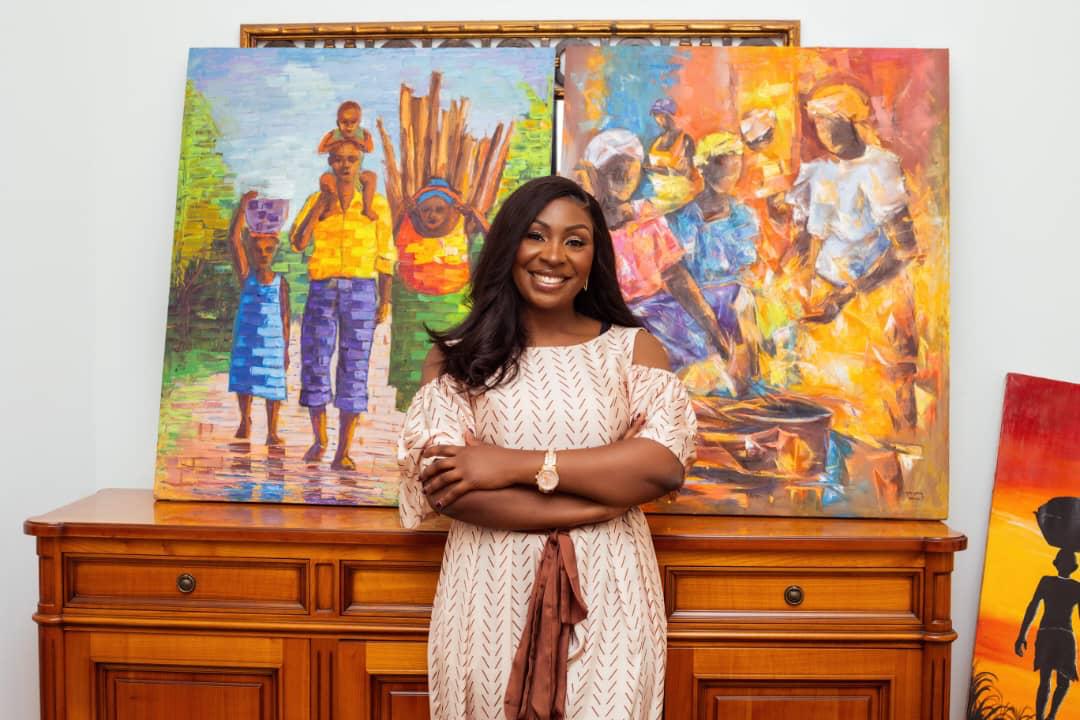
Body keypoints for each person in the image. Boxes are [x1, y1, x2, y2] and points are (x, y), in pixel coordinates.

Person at [397, 175, 696, 719]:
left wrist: (508, 465)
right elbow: (452, 491)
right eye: (536, 235)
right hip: (487, 595)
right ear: (507, 245)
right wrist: (606, 498)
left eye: (575, 241)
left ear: (593, 258)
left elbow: (661, 465)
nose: (553, 255)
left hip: (611, 593)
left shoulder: (633, 351)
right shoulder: (457, 359)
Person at [783, 82, 921, 450]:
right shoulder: (817, 171)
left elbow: (904, 249)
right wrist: (795, 280)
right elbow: (806, 239)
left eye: (831, 122)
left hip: (873, 299)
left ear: (853, 122)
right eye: (818, 123)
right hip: (827, 295)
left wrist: (846, 296)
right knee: (828, 400)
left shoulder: (880, 167)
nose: (823, 131)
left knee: (880, 403)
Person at [577, 128, 745, 394]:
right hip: (619, 320)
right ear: (596, 175)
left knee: (704, 362)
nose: (624, 180)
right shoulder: (585, 226)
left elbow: (676, 276)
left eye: (630, 173)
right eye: (614, 172)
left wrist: (711, 327)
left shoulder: (646, 217)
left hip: (662, 314)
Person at [290, 136, 395, 470]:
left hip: (361, 290)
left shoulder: (376, 204)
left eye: (351, 159)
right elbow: (297, 242)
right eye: (339, 159)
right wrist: (322, 203)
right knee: (315, 361)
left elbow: (386, 254)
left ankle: (343, 451)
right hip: (322, 288)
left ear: (360, 162)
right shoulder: (317, 199)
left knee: (355, 366)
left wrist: (385, 300)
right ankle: (320, 440)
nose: (345, 165)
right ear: (330, 163)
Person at [666, 131, 762, 383]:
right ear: (703, 168)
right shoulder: (682, 219)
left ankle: (751, 375)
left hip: (736, 298)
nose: (729, 174)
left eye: (735, 166)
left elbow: (748, 268)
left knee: (745, 302)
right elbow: (677, 276)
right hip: (697, 299)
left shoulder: (743, 216)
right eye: (721, 164)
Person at [388, 178, 488, 411]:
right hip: (415, 316)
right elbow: (385, 242)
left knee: (452, 377)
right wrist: (403, 211)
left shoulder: (463, 228)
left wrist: (474, 214)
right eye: (426, 210)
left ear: (451, 210)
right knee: (413, 376)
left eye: (439, 209)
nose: (432, 215)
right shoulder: (406, 228)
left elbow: (496, 241)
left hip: (452, 312)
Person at [226, 190, 290, 445]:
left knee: (273, 384)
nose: (263, 254)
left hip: (272, 344)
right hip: (248, 339)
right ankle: (245, 420)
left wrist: (285, 348)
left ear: (274, 251)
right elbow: (233, 240)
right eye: (258, 250)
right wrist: (242, 206)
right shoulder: (246, 276)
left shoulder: (280, 283)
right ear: (251, 251)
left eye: (268, 250)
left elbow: (285, 317)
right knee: (245, 378)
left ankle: (272, 431)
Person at [1015, 549, 1080, 720]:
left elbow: (1032, 607)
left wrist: (1022, 635)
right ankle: (1047, 717)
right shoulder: (1072, 586)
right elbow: (1032, 607)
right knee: (1055, 681)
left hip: (1052, 635)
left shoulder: (1051, 583)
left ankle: (1048, 717)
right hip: (1059, 636)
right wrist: (1021, 635)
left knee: (1052, 681)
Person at [317, 101, 379, 221]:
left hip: (356, 172)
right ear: (338, 123)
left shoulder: (363, 134)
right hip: (335, 172)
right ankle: (331, 207)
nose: (349, 126)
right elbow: (321, 149)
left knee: (371, 177)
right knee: (325, 180)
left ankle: (367, 208)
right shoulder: (334, 134)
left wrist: (355, 141)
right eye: (344, 122)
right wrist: (337, 143)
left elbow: (369, 148)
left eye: (353, 122)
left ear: (359, 122)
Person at [643, 98, 701, 213]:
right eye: (656, 116)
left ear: (671, 116)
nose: (659, 120)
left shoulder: (685, 140)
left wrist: (657, 169)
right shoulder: (657, 141)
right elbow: (647, 166)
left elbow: (686, 173)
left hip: (680, 198)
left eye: (662, 115)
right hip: (657, 195)